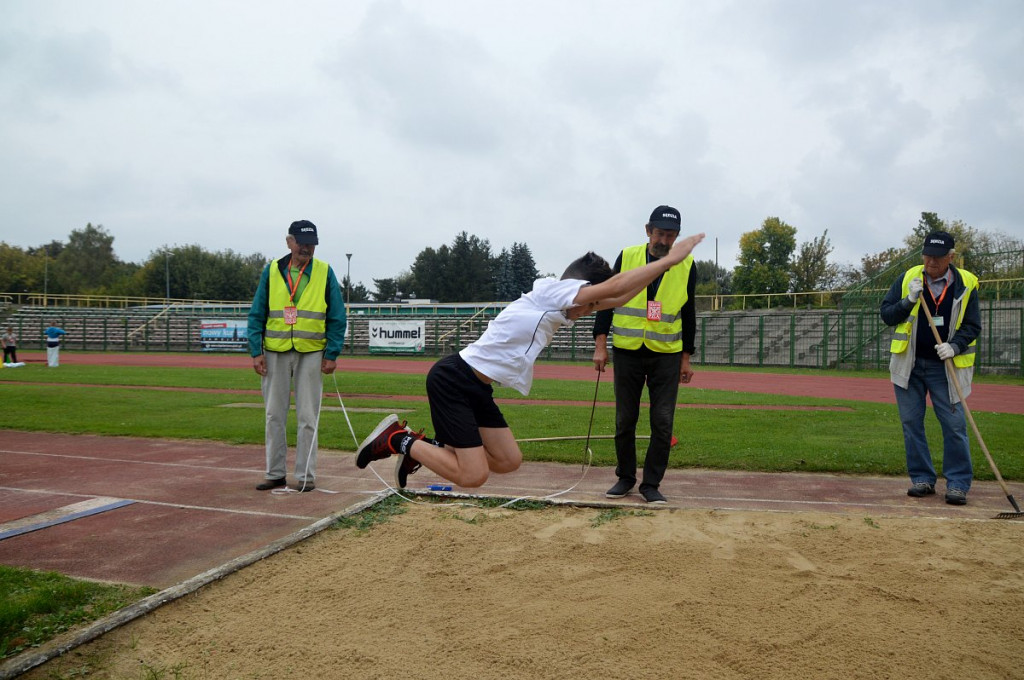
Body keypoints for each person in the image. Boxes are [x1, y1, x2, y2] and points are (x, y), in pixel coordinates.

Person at [354, 231, 706, 491]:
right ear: (577, 287)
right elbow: (611, 291)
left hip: (477, 388)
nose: (586, 314)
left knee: (508, 461)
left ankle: (426, 449)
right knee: (472, 476)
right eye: (587, 304)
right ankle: (397, 438)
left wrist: (662, 267)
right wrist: (669, 259)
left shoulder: (560, 307)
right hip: (453, 381)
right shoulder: (550, 290)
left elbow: (620, 294)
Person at [591, 205, 698, 504]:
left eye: (671, 235)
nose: (664, 241)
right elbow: (605, 299)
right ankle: (625, 478)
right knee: (625, 419)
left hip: (667, 355)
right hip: (627, 352)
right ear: (648, 231)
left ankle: (651, 484)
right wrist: (600, 345)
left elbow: (688, 314)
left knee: (662, 421)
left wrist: (686, 357)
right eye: (660, 233)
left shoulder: (686, 264)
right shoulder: (627, 257)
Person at [880, 230, 981, 506]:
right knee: (912, 423)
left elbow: (973, 326)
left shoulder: (967, 283)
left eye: (937, 257)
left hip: (945, 367)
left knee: (954, 424)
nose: (931, 262)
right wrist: (908, 300)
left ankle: (958, 484)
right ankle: (922, 479)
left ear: (951, 257)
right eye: (927, 256)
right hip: (908, 365)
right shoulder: (909, 277)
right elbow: (887, 314)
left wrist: (955, 346)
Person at [247, 220, 347, 492]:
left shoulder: (325, 272)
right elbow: (257, 312)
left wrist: (332, 353)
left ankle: (305, 477)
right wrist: (256, 351)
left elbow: (338, 316)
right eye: (302, 242)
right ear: (289, 242)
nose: (306, 247)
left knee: (307, 417)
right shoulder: (271, 271)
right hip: (274, 351)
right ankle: (275, 473)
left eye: (311, 242)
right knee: (273, 415)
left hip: (312, 353)